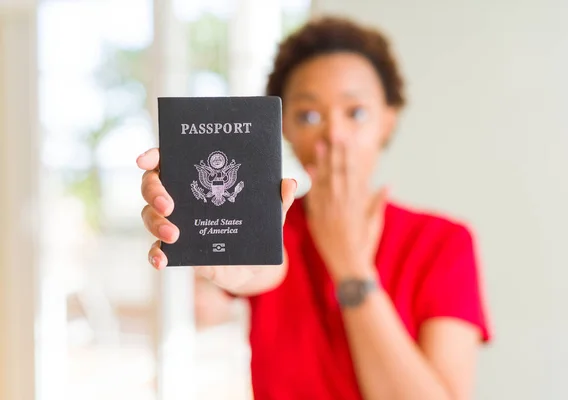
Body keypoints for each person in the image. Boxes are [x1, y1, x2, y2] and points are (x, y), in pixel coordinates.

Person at [137, 16, 491, 400]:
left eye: (355, 112)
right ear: (283, 128)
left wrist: (349, 264)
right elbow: (247, 278)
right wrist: (203, 230)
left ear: (388, 120)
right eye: (308, 115)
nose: (333, 134)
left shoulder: (444, 243)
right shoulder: (271, 223)